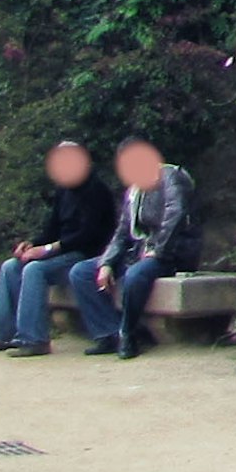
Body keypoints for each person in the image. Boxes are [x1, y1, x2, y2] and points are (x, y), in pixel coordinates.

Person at [67, 138, 196, 357]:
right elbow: (122, 232)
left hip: (172, 253)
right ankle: (109, 333)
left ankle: (128, 334)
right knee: (81, 272)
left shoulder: (171, 176)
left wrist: (158, 249)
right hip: (139, 252)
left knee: (135, 275)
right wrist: (106, 263)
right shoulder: (135, 190)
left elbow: (176, 214)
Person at [0, 142, 115, 354]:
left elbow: (88, 236)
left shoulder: (96, 191)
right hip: (62, 252)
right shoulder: (64, 190)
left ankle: (35, 339)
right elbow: (52, 228)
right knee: (11, 266)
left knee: (34, 270)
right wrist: (32, 245)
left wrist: (47, 250)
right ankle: (1, 334)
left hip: (85, 254)